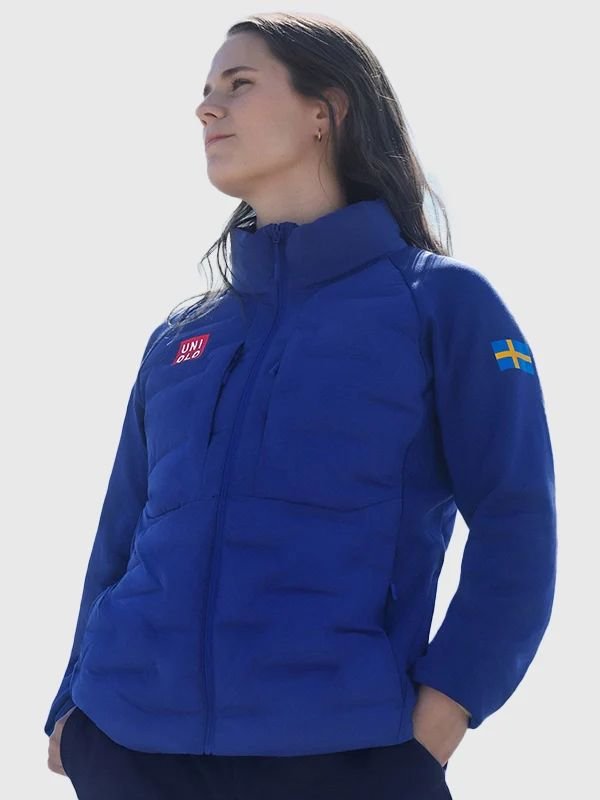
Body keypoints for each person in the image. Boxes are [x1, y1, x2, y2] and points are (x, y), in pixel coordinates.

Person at [45, 11, 557, 800]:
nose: (207, 108)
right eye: (206, 90)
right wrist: (72, 710)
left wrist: (448, 707)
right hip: (129, 751)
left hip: (346, 754)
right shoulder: (181, 338)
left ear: (326, 110)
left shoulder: (441, 303)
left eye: (239, 83)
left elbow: (517, 518)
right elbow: (121, 533)